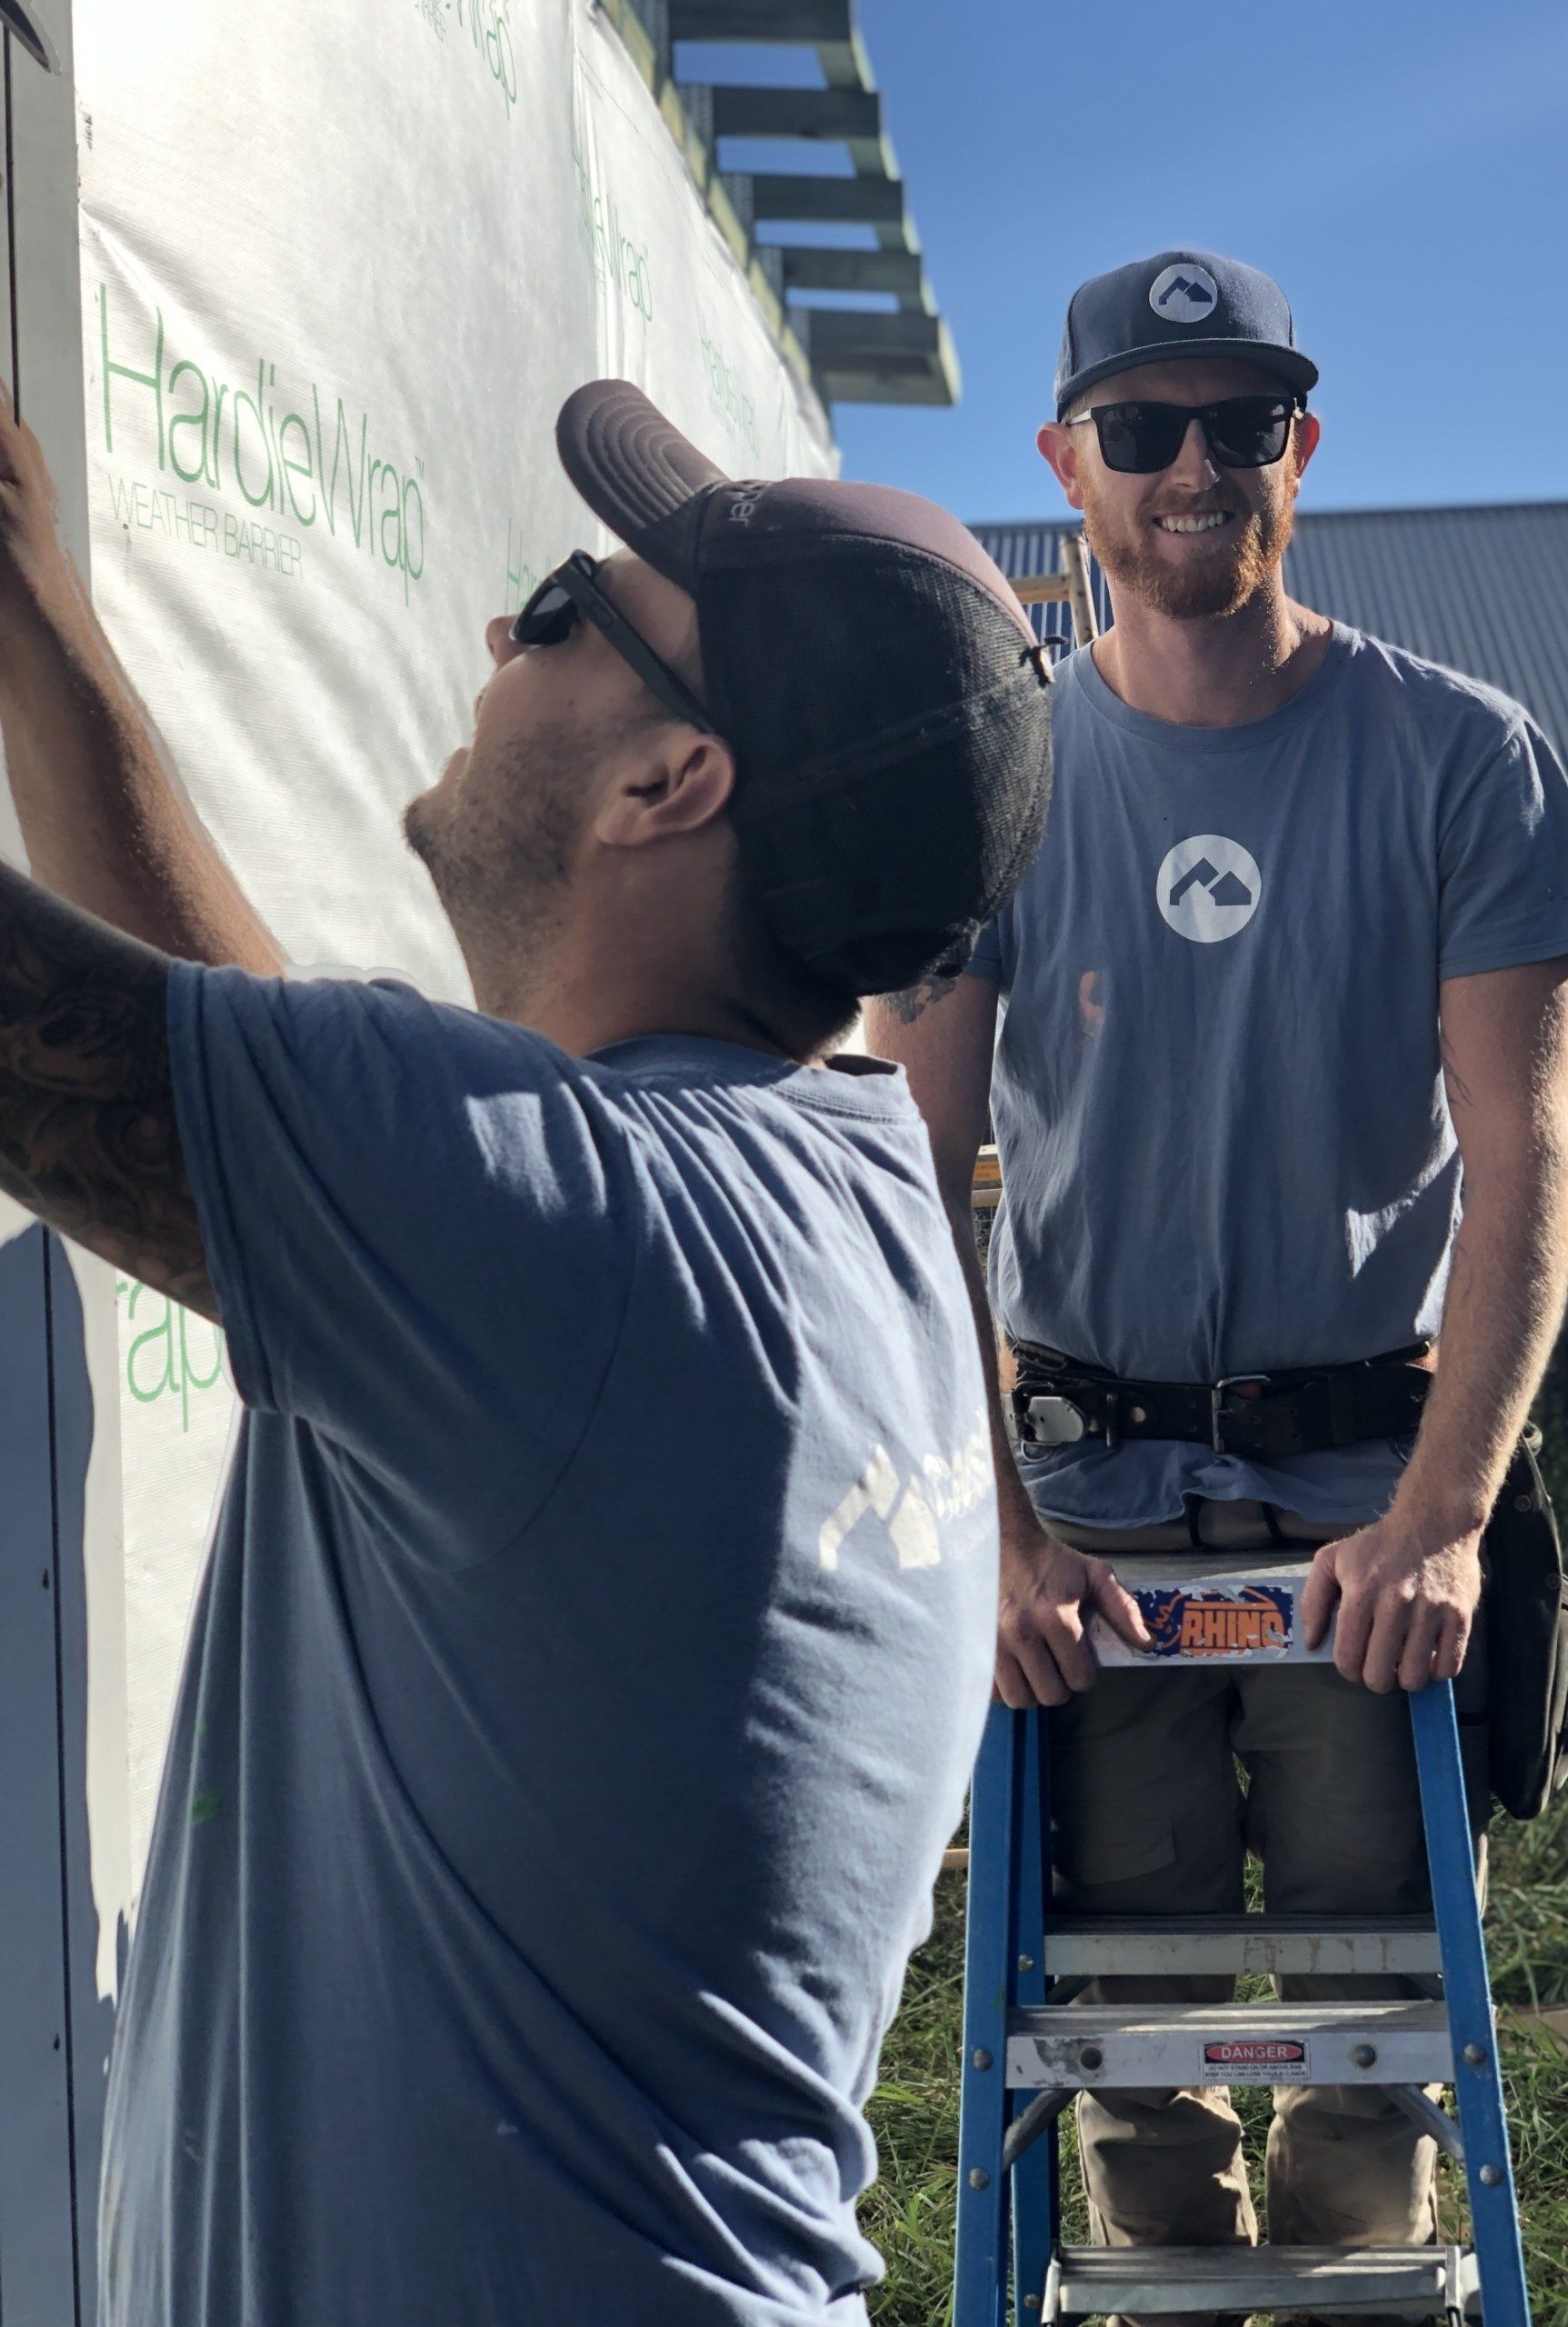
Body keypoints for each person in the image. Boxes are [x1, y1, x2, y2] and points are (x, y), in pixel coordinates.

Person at [0, 375, 1055, 2326]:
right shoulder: (834, 1202)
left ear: (672, 781)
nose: (503, 630)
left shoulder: (581, 1247)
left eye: (567, 603)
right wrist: (30, 599)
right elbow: (264, 1086)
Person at [867, 246, 1568, 2324]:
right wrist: (998, 1539)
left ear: (1301, 443)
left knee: (1384, 1964)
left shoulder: (1464, 758)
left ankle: (1348, 2293)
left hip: (1363, 1495)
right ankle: (1171, 2295)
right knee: (1127, 1987)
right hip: (1092, 1507)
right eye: (1144, 428)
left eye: (1241, 420)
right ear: (1068, 465)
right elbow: (914, 1174)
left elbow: (1527, 1159)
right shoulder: (994, 785)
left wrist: (1451, 1511)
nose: (1196, 465)